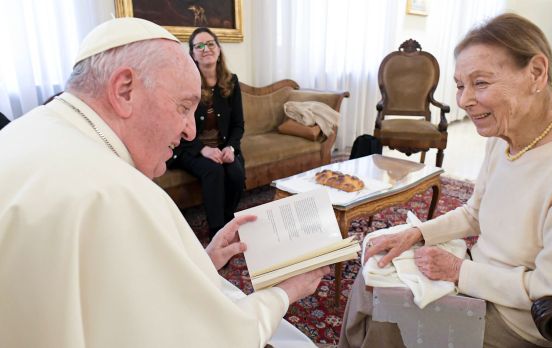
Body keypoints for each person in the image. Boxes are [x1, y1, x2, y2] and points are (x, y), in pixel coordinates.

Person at [0, 17, 328, 347]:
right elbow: (206, 337)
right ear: (124, 90)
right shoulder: (118, 193)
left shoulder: (28, 130)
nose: (189, 130)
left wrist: (203, 261)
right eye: (183, 107)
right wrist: (286, 292)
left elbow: (116, 293)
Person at [339, 13, 552, 348]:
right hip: (483, 276)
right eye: (460, 85)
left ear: (536, 73)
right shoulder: (503, 133)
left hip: (523, 317)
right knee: (374, 270)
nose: (464, 100)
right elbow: (475, 213)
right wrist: (416, 233)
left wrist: (459, 272)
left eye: (481, 83)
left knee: (391, 322)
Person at [167, 27, 245, 239]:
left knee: (236, 173)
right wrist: (202, 150)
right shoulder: (184, 85)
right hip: (189, 148)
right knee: (214, 170)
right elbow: (178, 126)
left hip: (223, 146)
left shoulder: (232, 82)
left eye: (210, 44)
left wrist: (230, 147)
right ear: (192, 54)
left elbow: (238, 125)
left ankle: (228, 219)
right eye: (198, 46)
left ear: (219, 49)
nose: (205, 49)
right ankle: (217, 232)